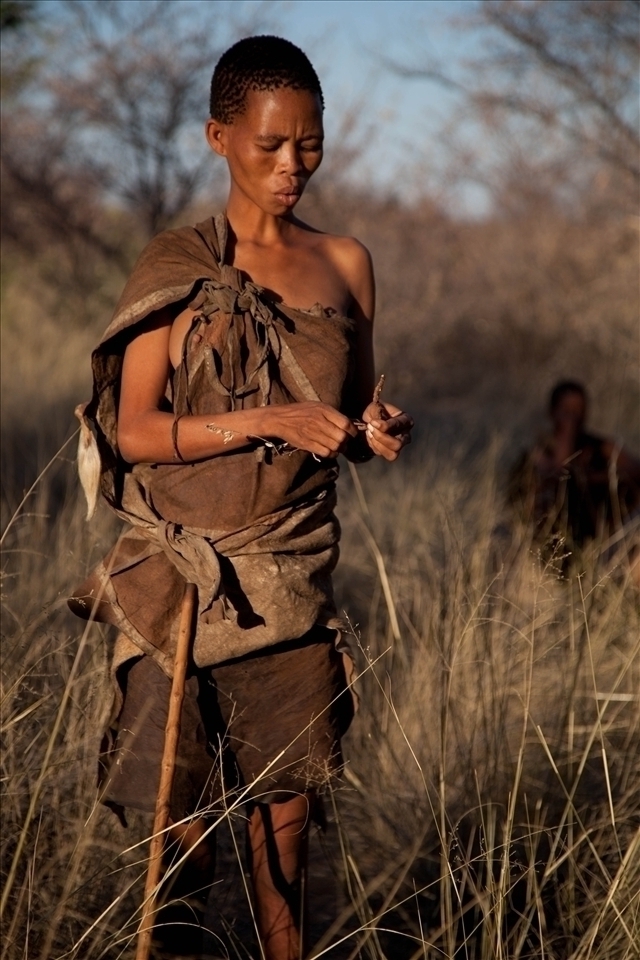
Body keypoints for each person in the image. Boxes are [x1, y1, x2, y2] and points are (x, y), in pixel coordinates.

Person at [68, 36, 413, 960]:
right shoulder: (175, 265)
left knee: (282, 864)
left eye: (310, 143)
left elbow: (348, 408)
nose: (292, 166)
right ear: (220, 138)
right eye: (269, 146)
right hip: (174, 589)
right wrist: (266, 419)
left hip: (289, 590)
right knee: (177, 865)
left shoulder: (346, 262)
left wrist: (376, 429)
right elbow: (133, 428)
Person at [509, 380, 640, 561]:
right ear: (552, 412)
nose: (573, 416)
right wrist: (566, 439)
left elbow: (635, 468)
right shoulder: (538, 453)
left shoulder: (597, 446)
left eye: (579, 410)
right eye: (566, 410)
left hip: (596, 537)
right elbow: (556, 478)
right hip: (550, 541)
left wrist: (599, 478)